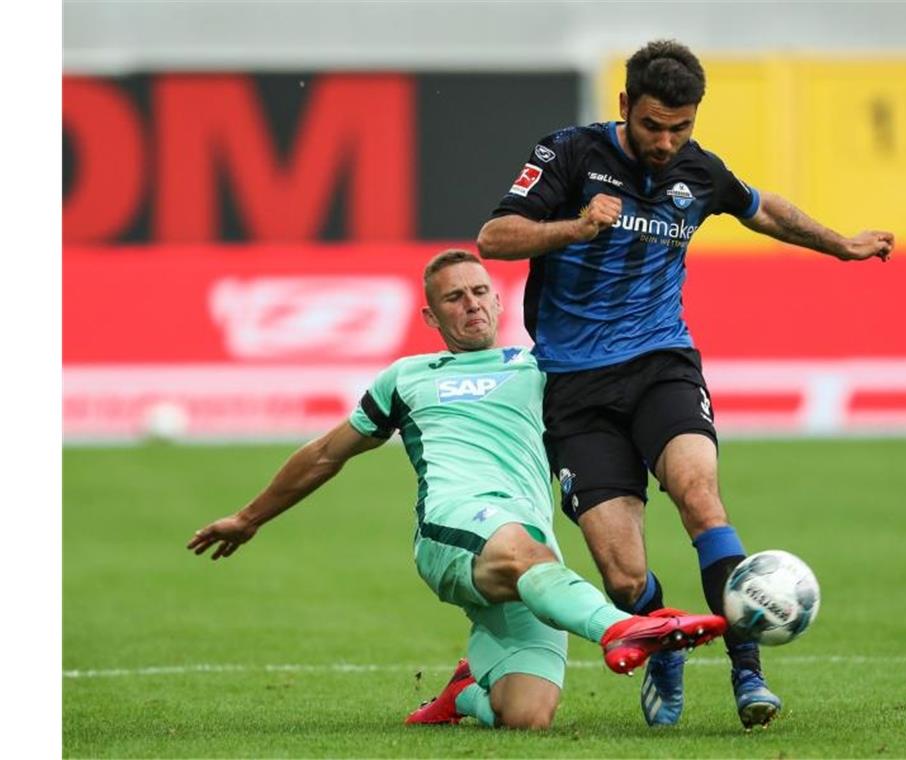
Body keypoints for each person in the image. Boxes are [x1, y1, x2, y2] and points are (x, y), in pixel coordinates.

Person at [476, 39, 895, 730]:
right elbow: (495, 237)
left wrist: (841, 244)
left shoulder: (699, 173)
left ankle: (748, 671)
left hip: (660, 365)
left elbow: (763, 208)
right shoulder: (570, 155)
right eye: (652, 126)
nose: (667, 142)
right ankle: (666, 642)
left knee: (701, 498)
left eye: (681, 127)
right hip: (575, 388)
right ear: (623, 108)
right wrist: (576, 227)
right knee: (623, 579)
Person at [186, 250, 726, 730]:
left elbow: (611, 419)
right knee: (525, 552)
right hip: (455, 527)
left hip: (531, 556)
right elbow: (327, 452)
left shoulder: (541, 367)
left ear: (497, 299)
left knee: (527, 715)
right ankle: (626, 630)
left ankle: (465, 693)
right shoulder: (408, 377)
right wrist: (249, 517)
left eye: (480, 291)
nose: (471, 305)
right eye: (454, 298)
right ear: (430, 315)